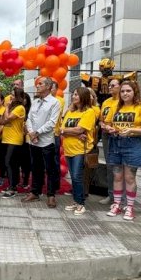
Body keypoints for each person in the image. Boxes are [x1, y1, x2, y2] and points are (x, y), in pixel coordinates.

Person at [103, 80, 141, 220]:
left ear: (134, 92)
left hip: (133, 144)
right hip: (115, 142)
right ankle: (117, 204)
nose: (125, 93)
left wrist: (132, 130)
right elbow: (106, 123)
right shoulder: (116, 107)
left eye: (128, 91)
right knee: (117, 176)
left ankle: (130, 207)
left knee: (129, 177)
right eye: (123, 91)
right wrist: (110, 128)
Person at [22, 77, 61, 208]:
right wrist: (31, 133)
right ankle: (35, 192)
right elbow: (29, 119)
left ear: (48, 86)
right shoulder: (35, 101)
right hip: (33, 141)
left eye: (40, 84)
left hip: (47, 142)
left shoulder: (54, 102)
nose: (37, 86)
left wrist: (36, 133)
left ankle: (51, 195)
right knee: (36, 168)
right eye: (37, 84)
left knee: (50, 169)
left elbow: (51, 123)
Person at [60, 87, 97, 215]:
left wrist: (68, 131)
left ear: (83, 96)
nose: (73, 96)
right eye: (73, 94)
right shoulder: (71, 112)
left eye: (76, 94)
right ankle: (76, 201)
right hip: (69, 149)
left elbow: (79, 129)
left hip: (80, 150)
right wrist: (73, 132)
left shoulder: (89, 112)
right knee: (74, 177)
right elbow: (62, 128)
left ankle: (81, 203)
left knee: (77, 177)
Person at [98, 79, 124, 205]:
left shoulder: (124, 102)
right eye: (109, 85)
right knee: (110, 165)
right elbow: (101, 119)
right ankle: (111, 195)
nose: (110, 87)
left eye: (113, 85)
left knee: (121, 167)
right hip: (107, 135)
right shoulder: (106, 102)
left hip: (120, 135)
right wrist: (102, 124)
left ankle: (122, 197)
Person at [0, 88, 27, 198]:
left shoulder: (20, 108)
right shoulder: (11, 108)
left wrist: (6, 107)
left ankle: (12, 188)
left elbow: (8, 118)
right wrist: (7, 109)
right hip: (6, 138)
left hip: (15, 140)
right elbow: (2, 121)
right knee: (12, 164)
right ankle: (13, 185)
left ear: (18, 97)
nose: (10, 97)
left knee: (9, 163)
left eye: (12, 95)